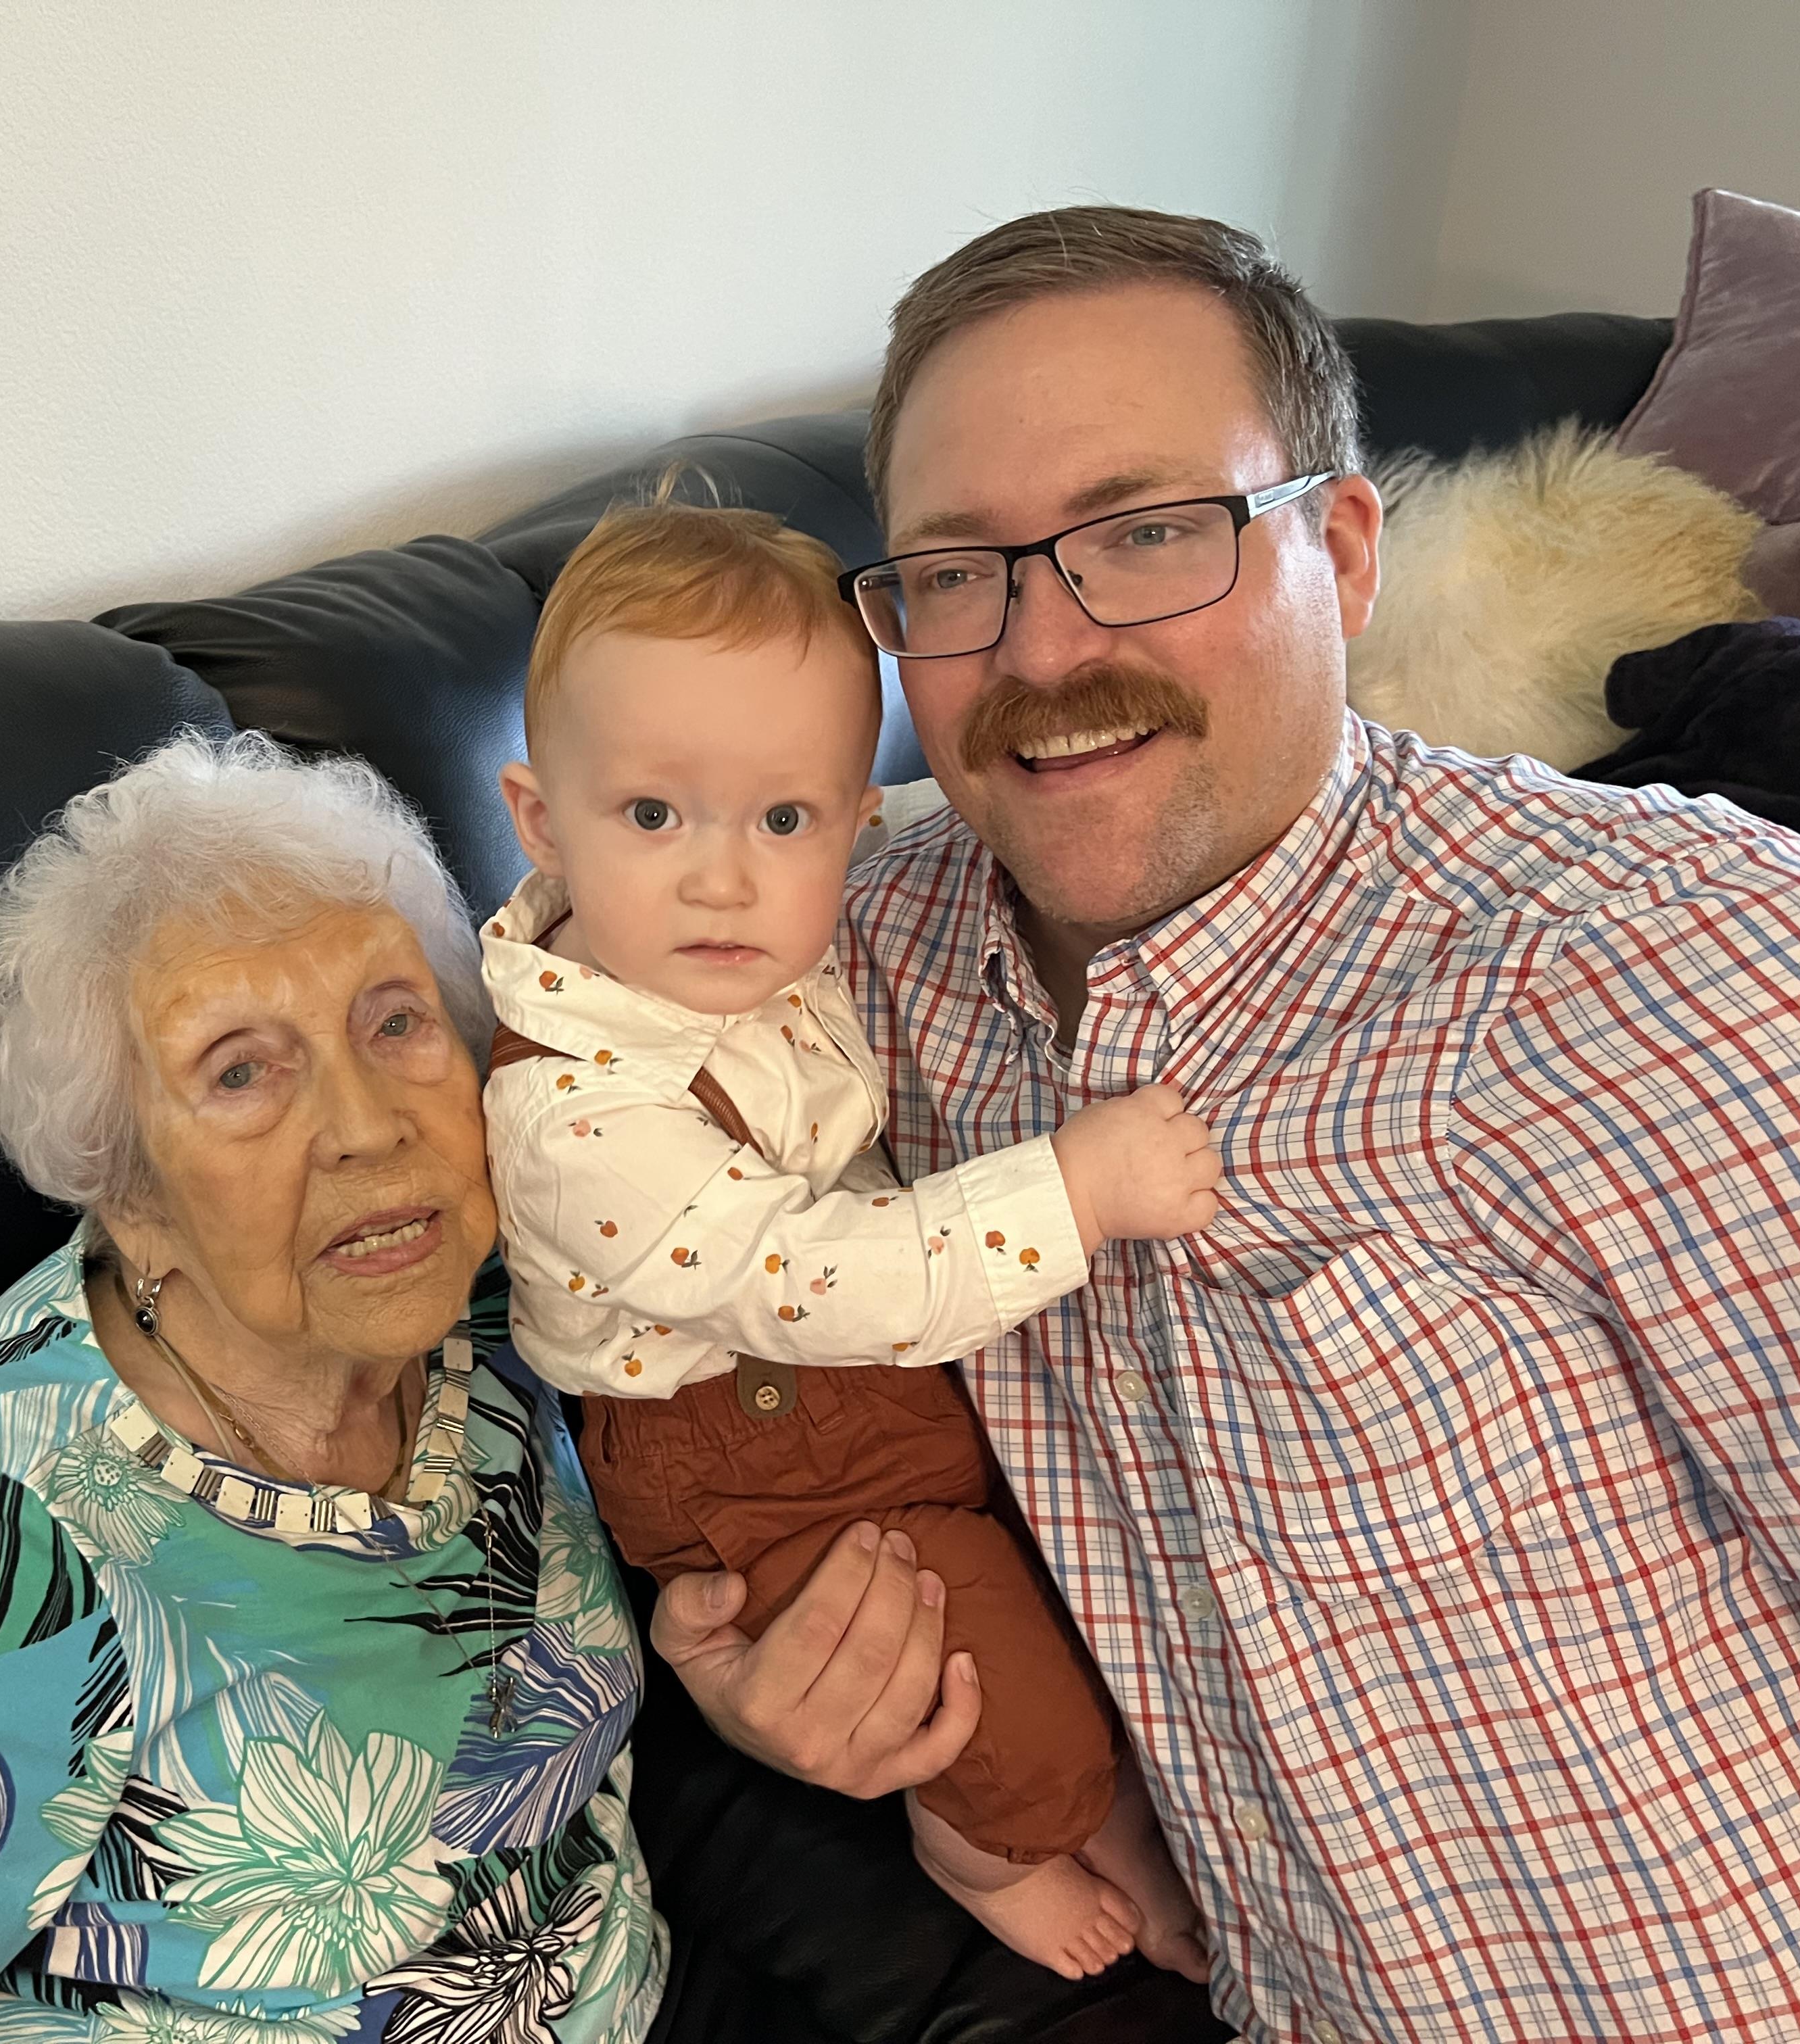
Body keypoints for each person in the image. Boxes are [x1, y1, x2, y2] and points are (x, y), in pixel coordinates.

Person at [652, 205, 1800, 2043]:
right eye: (961, 573)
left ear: (1348, 550)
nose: (1046, 650)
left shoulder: (1699, 978)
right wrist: (806, 1683)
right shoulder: (844, 979)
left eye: (1150, 534)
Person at [0, 731, 666, 2044]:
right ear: (129, 1195)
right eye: (241, 1071)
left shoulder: (486, 1293)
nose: (369, 1124)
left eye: (395, 1020)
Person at [479, 497, 1221, 1978]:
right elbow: (804, 1280)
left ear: (852, 822)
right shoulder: (570, 1114)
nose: (722, 876)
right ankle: (990, 1842)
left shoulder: (772, 930)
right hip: (745, 1447)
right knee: (992, 1696)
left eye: (784, 818)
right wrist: (1072, 1192)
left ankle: (1104, 1802)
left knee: (1083, 1608)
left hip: (874, 1402)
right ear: (541, 820)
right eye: (650, 815)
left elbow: (971, 811)